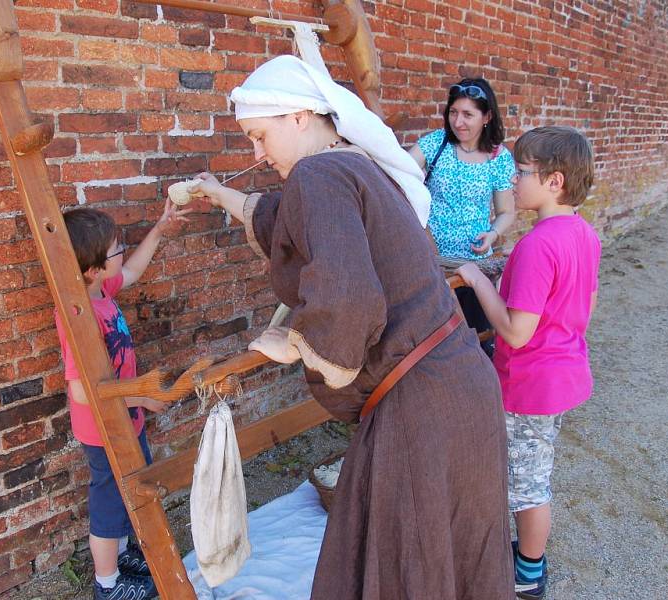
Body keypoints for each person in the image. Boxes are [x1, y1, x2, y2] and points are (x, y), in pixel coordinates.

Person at [193, 54, 514, 600]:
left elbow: (347, 296)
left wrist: (297, 342)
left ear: (297, 119)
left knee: (408, 558)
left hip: (423, 406)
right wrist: (217, 193)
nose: (256, 153)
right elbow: (282, 219)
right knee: (456, 551)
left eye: (258, 136)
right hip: (463, 390)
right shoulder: (359, 165)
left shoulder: (319, 174)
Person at [457, 126, 600, 600]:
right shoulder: (583, 234)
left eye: (521, 172)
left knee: (527, 485)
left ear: (554, 181)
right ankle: (527, 559)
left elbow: (517, 331)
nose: (513, 181)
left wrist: (479, 280)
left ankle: (528, 573)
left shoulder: (537, 244)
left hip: (529, 386)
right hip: (561, 374)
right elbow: (586, 303)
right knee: (531, 472)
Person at [55, 200, 189, 600]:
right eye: (116, 248)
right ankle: (107, 584)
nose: (122, 253)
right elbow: (82, 390)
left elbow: (132, 271)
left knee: (132, 490)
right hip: (103, 430)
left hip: (126, 418)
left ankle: (126, 558)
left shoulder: (100, 289)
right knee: (110, 504)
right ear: (93, 267)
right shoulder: (77, 315)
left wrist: (161, 229)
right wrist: (143, 398)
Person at [409, 78, 516, 353]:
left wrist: (492, 233)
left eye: (468, 114)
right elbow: (400, 172)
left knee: (477, 340)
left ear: (487, 117)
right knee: (434, 340)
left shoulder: (498, 158)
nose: (458, 122)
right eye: (453, 112)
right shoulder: (436, 144)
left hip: (473, 267)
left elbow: (506, 212)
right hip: (430, 262)